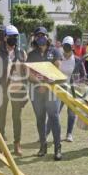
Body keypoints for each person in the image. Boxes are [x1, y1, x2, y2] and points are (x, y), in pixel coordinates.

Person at [0, 25, 28, 156]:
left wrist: (25, 90)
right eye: (11, 37)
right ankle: (1, 144)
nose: (13, 39)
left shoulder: (21, 53)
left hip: (17, 89)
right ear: (5, 38)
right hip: (2, 89)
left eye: (15, 37)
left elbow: (25, 73)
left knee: (17, 117)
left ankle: (17, 144)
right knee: (1, 117)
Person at [27, 26, 63, 161]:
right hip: (36, 91)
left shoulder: (55, 52)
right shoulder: (31, 54)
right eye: (37, 36)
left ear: (47, 37)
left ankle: (57, 148)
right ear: (34, 38)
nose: (40, 38)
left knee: (54, 117)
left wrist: (46, 85)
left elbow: (56, 70)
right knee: (40, 119)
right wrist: (39, 84)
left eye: (42, 35)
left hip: (52, 90)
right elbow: (29, 74)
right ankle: (43, 146)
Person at [46, 36, 86, 142]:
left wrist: (77, 82)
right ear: (62, 46)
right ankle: (45, 133)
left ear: (72, 46)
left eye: (69, 45)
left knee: (71, 112)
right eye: (65, 45)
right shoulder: (58, 57)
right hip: (59, 88)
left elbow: (83, 75)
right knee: (54, 112)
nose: (67, 47)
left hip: (72, 89)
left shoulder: (77, 60)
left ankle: (69, 134)